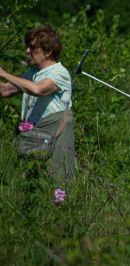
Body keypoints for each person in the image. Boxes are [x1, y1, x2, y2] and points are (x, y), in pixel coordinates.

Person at [0, 25, 75, 183]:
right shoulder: (32, 73)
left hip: (54, 137)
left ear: (48, 51)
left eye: (32, 47)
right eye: (27, 46)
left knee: (55, 183)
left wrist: (4, 73)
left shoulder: (59, 72)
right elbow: (5, 91)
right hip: (34, 137)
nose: (27, 51)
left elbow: (38, 89)